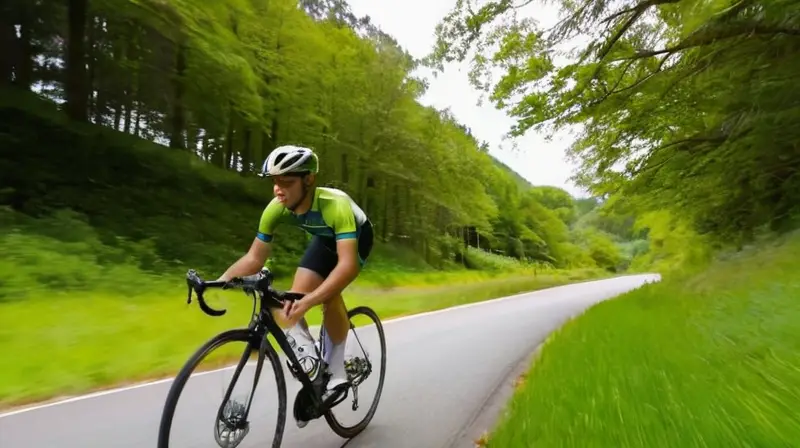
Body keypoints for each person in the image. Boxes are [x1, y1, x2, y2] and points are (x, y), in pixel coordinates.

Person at [215, 144, 373, 428]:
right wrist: (218, 282)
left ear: (309, 180)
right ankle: (314, 367)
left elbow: (346, 265)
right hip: (324, 242)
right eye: (275, 182)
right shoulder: (276, 208)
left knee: (327, 294)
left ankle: (336, 369)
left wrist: (312, 299)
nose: (278, 189)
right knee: (288, 307)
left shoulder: (334, 205)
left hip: (355, 238)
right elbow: (254, 257)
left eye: (286, 182)